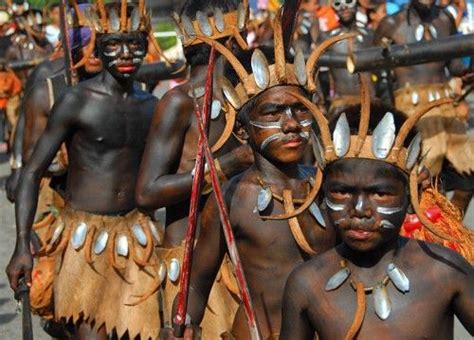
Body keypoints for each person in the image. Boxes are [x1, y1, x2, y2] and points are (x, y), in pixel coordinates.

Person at [166, 13, 350, 338]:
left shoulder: (327, 186)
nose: (291, 124)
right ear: (241, 130)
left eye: (300, 109)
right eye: (273, 112)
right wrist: (184, 325)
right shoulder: (233, 198)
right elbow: (197, 281)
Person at [5, 1, 163, 338]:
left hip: (137, 239)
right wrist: (22, 244)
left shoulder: (151, 106)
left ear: (147, 47)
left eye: (135, 44)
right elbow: (33, 172)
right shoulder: (77, 100)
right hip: (83, 242)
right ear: (100, 49)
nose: (125, 53)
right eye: (113, 45)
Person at [280, 103, 474, 339]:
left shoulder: (443, 270)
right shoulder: (306, 284)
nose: (359, 210)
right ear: (322, 194)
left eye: (380, 194)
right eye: (342, 191)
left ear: (411, 196)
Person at [136, 0, 252, 336]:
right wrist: (227, 164)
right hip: (192, 262)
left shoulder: (249, 99)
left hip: (243, 257)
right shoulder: (180, 102)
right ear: (234, 40)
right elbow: (146, 192)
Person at [374, 0, 474, 213]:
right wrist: (389, 115)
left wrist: (466, 72)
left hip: (446, 105)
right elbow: (378, 72)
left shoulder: (445, 19)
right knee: (424, 180)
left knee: (468, 177)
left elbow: (454, 64)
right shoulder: (391, 23)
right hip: (412, 108)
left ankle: (451, 231)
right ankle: (423, 237)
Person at [320, 0, 375, 120]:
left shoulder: (369, 35)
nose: (344, 7)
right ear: (333, 8)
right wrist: (320, 102)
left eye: (349, 1)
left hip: (370, 102)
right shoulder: (326, 38)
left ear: (356, 4)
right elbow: (315, 70)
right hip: (341, 103)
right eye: (338, 3)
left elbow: (382, 70)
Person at [0, 58, 21, 152]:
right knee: (8, 124)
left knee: (13, 123)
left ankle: (15, 145)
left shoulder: (8, 75)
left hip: (12, 100)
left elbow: (6, 88)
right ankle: (10, 144)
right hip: (5, 101)